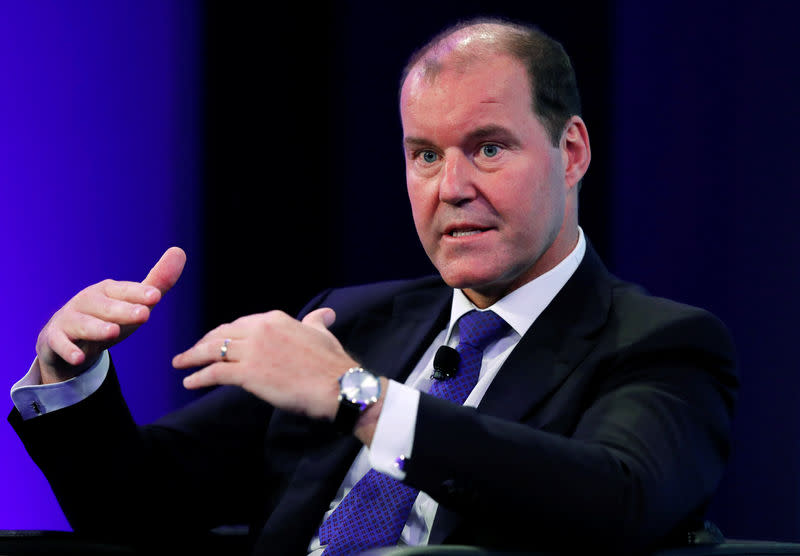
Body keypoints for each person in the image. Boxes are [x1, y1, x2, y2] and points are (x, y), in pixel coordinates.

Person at [9, 18, 737, 555]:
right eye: (424, 155)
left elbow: (618, 501)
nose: (451, 188)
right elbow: (139, 509)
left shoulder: (659, 343)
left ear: (569, 151)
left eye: (488, 148)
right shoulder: (355, 321)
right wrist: (71, 376)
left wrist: (361, 399)